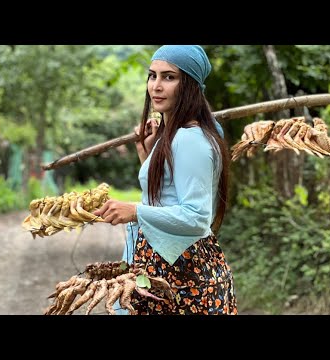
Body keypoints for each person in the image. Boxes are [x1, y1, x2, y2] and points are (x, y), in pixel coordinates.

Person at [93, 45, 237, 315]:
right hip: (163, 269)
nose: (156, 86)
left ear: (189, 85)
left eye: (169, 77)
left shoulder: (190, 138)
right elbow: (166, 198)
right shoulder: (174, 136)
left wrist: (134, 211)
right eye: (152, 76)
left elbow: (196, 217)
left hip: (182, 276)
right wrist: (147, 154)